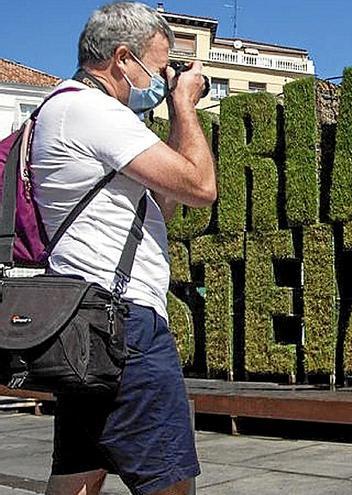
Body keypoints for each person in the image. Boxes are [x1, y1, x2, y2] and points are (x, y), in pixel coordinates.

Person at [32, 3, 216, 495]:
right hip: (124, 324)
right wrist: (185, 106)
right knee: (169, 478)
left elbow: (166, 201)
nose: (164, 78)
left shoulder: (64, 108)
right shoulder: (94, 111)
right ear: (121, 59)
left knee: (79, 471)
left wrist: (175, 114)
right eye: (159, 67)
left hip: (88, 321)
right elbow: (200, 185)